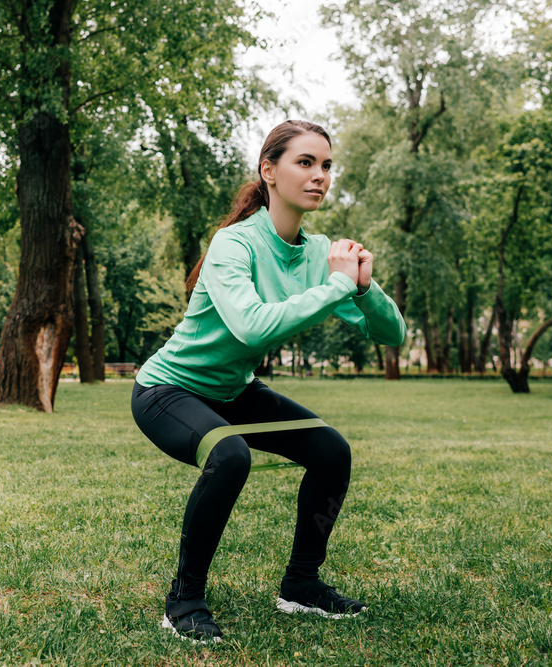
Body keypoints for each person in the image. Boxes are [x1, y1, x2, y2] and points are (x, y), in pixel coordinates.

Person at [130, 119, 406, 643]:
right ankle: (183, 599)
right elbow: (251, 323)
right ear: (269, 171)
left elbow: (392, 334)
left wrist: (363, 289)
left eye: (326, 165)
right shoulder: (233, 244)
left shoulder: (321, 252)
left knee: (332, 451)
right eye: (305, 163)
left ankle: (300, 587)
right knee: (229, 454)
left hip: (234, 391)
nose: (320, 176)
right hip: (168, 391)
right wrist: (335, 286)